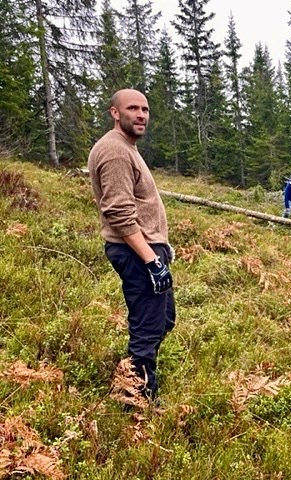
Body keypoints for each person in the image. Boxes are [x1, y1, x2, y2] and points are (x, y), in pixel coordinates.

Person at [88, 88, 175, 400]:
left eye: (145, 109)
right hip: (137, 253)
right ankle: (135, 396)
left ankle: (133, 378)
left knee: (163, 319)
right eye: (133, 109)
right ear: (115, 113)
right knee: (148, 327)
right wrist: (151, 259)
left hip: (146, 249)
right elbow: (118, 212)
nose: (141, 115)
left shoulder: (126, 148)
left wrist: (160, 247)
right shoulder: (114, 152)